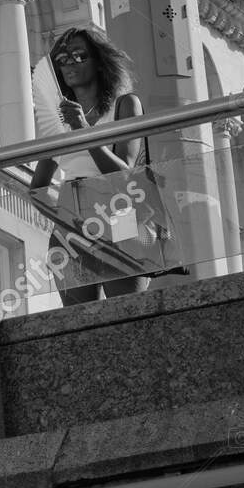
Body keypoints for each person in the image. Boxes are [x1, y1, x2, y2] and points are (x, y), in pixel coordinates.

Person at [28, 26, 151, 305]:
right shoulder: (58, 122)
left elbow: (125, 172)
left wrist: (83, 129)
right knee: (79, 323)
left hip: (119, 214)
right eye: (62, 59)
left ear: (99, 61)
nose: (69, 63)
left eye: (78, 55)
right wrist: (64, 217)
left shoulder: (124, 105)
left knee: (126, 314)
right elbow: (38, 187)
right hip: (73, 219)